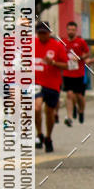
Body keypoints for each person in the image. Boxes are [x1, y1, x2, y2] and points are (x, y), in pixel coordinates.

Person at [34, 20, 67, 153]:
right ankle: (39, 133)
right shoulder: (31, 45)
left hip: (52, 84)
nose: (42, 36)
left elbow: (65, 65)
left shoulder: (57, 46)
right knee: (36, 108)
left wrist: (53, 62)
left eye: (44, 33)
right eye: (39, 33)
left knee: (49, 113)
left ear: (49, 33)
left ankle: (48, 137)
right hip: (36, 83)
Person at [61, 20, 90, 126]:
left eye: (73, 30)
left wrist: (80, 57)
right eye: (69, 29)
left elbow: (87, 53)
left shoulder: (81, 42)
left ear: (76, 30)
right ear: (67, 30)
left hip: (79, 73)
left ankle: (81, 111)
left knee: (79, 96)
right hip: (67, 73)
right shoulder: (63, 42)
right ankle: (69, 117)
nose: (71, 31)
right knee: (69, 94)